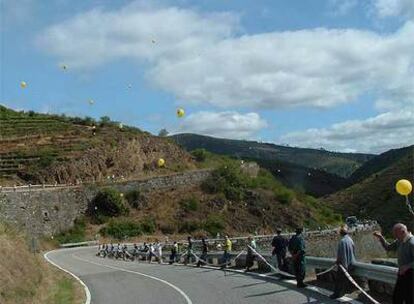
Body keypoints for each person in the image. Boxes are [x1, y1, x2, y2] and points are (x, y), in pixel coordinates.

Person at [373, 223, 414, 304]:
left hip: (411, 275)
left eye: (396, 233)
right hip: (402, 274)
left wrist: (407, 267)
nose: (394, 236)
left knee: (409, 298)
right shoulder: (399, 240)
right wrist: (381, 237)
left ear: (403, 232)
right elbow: (388, 248)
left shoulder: (412, 243)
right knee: (397, 297)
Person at [330, 225, 356, 299]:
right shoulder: (350, 240)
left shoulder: (342, 241)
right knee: (345, 280)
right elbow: (354, 251)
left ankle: (337, 294)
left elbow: (340, 254)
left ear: (341, 233)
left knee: (339, 280)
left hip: (343, 265)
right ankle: (343, 292)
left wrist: (337, 261)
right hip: (351, 263)